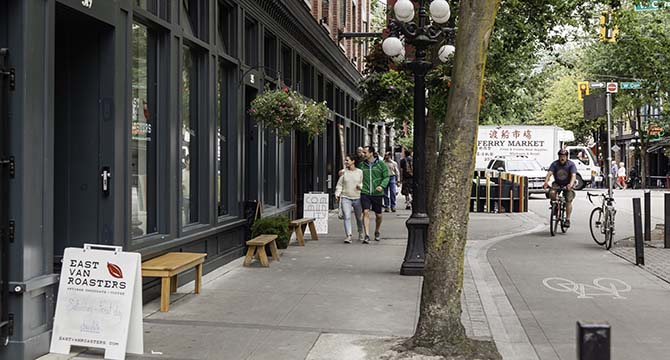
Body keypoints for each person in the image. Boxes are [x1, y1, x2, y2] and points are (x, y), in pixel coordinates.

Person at [359, 146, 390, 243]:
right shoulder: (361, 165)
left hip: (377, 193)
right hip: (365, 192)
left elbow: (386, 177)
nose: (363, 154)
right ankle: (367, 235)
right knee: (366, 212)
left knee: (379, 215)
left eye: (365, 152)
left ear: (371, 153)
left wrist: (382, 186)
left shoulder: (381, 164)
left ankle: (377, 231)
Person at [543, 149, 577, 227]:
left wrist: (570, 185)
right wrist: (546, 182)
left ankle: (567, 219)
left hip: (567, 184)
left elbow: (573, 175)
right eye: (561, 156)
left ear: (566, 157)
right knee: (551, 193)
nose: (562, 158)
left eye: (564, 156)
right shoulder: (555, 164)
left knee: (568, 200)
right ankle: (554, 206)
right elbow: (549, 174)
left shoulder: (571, 164)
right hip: (557, 183)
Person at [335, 154, 364, 243]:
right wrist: (337, 193)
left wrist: (360, 187)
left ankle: (361, 232)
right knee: (347, 217)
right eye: (345, 160)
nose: (345, 162)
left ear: (353, 161)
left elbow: (362, 182)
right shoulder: (343, 172)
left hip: (357, 197)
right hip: (345, 197)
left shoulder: (360, 172)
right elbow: (340, 184)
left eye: (347, 160)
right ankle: (349, 235)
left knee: (359, 217)